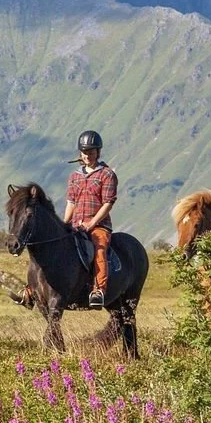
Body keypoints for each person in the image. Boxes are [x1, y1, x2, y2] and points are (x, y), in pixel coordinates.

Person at [64, 130, 118, 308]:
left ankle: (98, 291)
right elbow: (71, 203)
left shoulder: (107, 174)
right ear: (80, 153)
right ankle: (32, 290)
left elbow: (108, 203)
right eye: (85, 152)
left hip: (98, 225)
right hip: (76, 224)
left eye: (91, 152)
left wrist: (92, 223)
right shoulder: (74, 176)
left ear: (98, 152)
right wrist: (65, 224)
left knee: (99, 250)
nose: (88, 155)